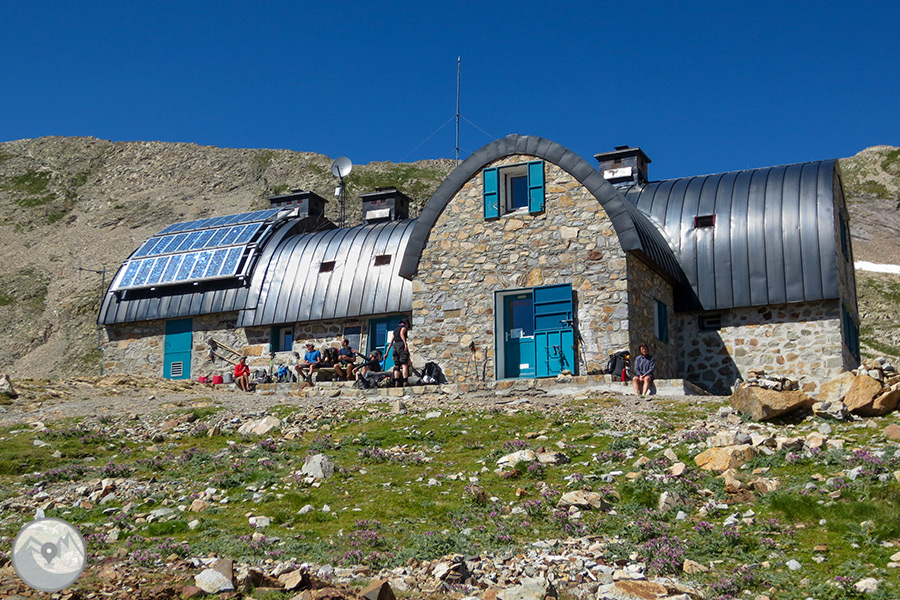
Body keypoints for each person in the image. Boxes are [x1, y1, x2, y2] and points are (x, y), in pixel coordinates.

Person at [385, 319, 411, 387]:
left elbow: (391, 342)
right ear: (406, 324)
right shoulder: (403, 328)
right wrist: (405, 344)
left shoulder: (395, 330)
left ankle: (396, 381)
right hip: (401, 345)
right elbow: (401, 334)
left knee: (397, 365)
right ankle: (405, 381)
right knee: (404, 364)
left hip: (395, 346)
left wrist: (387, 352)